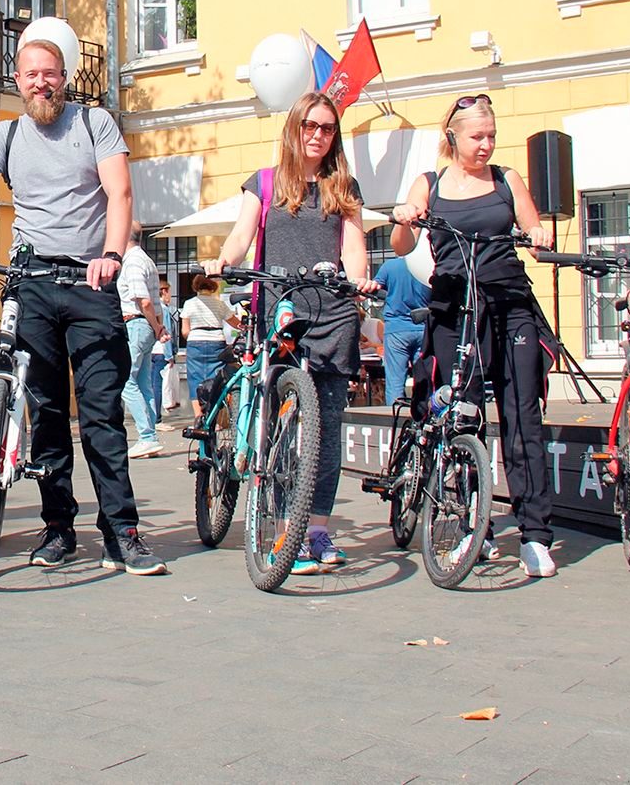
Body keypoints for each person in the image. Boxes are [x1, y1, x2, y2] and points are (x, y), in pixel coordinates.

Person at [0, 38, 167, 575]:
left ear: (65, 77)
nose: (41, 83)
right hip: (31, 284)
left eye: (50, 74)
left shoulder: (93, 123)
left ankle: (122, 531)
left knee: (101, 413)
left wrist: (112, 254)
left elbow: (119, 195)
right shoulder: (6, 134)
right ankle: (58, 529)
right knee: (48, 415)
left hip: (90, 283)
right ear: (18, 80)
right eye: (31, 74)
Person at [205, 91, 378, 574]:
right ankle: (285, 530)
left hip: (332, 312)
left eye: (326, 128)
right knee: (280, 427)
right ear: (294, 128)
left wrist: (359, 277)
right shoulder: (263, 183)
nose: (318, 135)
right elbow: (243, 234)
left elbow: (354, 244)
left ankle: (317, 530)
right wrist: (226, 259)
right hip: (279, 311)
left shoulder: (343, 185)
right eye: (310, 126)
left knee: (324, 429)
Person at [391, 93, 557, 578]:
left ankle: (535, 534)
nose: (485, 145)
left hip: (509, 301)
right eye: (476, 137)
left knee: (523, 412)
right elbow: (403, 243)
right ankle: (468, 524)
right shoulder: (431, 183)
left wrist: (539, 233)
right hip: (453, 307)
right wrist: (405, 217)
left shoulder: (507, 179)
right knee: (459, 416)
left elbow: (531, 225)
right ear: (453, 138)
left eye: (491, 137)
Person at [118, 223, 168, 458]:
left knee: (125, 380)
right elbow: (153, 302)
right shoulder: (145, 259)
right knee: (143, 381)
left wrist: (157, 326)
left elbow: (144, 300)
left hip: (135, 323)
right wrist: (157, 327)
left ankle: (147, 436)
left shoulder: (133, 262)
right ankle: (151, 438)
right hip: (144, 325)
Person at [180, 274, 240, 422]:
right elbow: (236, 324)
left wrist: (195, 336)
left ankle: (198, 418)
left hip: (195, 342)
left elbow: (185, 331)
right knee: (216, 379)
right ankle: (216, 419)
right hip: (216, 342)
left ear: (196, 286)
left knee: (195, 379)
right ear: (213, 286)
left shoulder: (189, 303)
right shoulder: (219, 304)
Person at [374, 254, 431, 403]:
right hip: (423, 327)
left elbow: (375, 290)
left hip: (396, 328)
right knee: (424, 380)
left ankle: (394, 419)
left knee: (395, 381)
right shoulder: (426, 266)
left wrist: (391, 295)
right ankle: (422, 417)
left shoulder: (390, 266)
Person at [152, 280, 180, 415]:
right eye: (169, 292)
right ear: (164, 292)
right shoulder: (163, 309)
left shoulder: (152, 308)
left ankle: (152, 416)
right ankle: (156, 418)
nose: (170, 296)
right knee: (158, 386)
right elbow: (167, 332)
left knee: (151, 385)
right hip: (161, 352)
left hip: (151, 351)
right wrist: (170, 356)